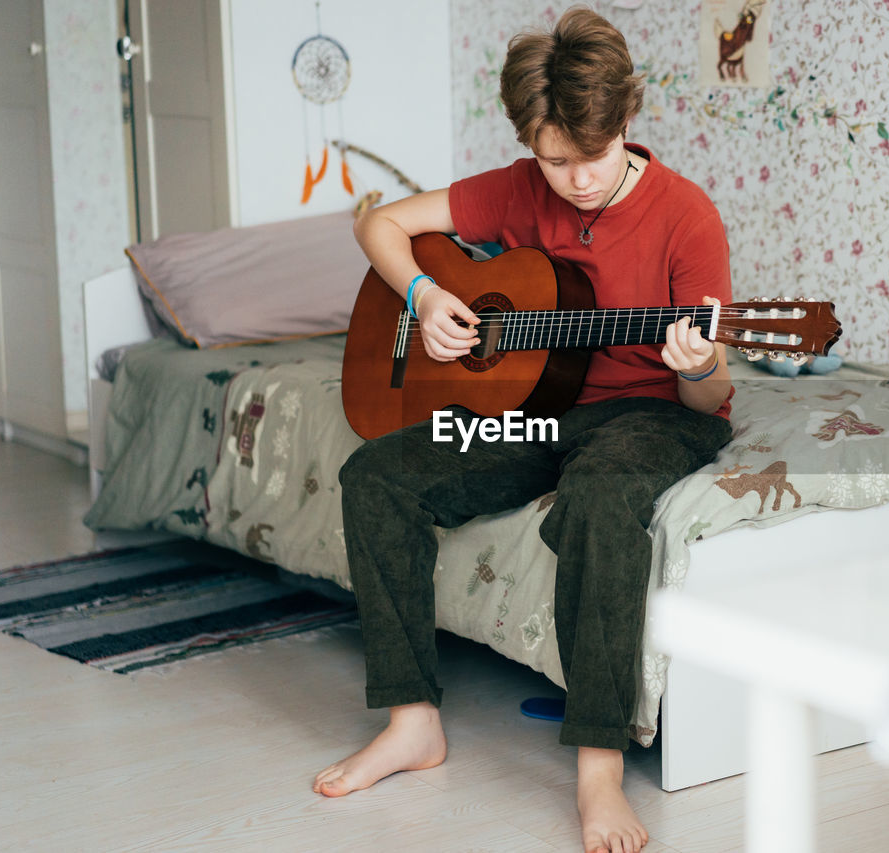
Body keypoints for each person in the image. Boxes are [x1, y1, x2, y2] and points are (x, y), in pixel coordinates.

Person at [313, 8, 734, 852]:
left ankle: (599, 769)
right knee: (378, 475)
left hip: (655, 415)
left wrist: (695, 366)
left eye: (594, 155)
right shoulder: (516, 188)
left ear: (627, 121)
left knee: (604, 497)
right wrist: (425, 297)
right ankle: (412, 721)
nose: (575, 179)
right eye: (554, 160)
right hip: (536, 415)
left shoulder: (687, 216)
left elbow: (709, 398)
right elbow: (379, 225)